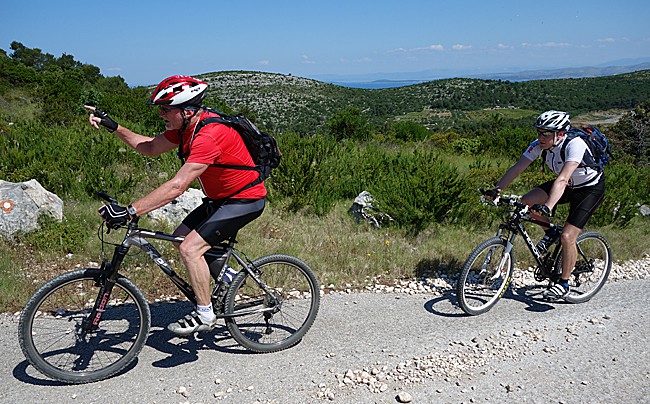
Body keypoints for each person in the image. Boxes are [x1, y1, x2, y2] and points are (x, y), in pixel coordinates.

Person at [85, 75, 266, 335]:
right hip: (220, 199)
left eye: (166, 109)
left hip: (245, 199)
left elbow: (177, 186)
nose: (161, 115)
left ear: (187, 110)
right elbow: (149, 147)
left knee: (191, 250)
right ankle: (228, 279)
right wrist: (114, 126)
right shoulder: (186, 130)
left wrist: (130, 211)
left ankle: (205, 314)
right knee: (180, 238)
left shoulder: (209, 136)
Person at [485, 110, 605, 301]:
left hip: (589, 189)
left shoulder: (575, 144)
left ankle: (564, 283)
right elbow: (518, 167)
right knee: (525, 201)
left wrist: (548, 206)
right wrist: (497, 189)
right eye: (539, 132)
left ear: (560, 134)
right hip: (566, 184)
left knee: (567, 236)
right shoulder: (539, 146)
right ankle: (550, 233)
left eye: (546, 133)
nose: (540, 137)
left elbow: (563, 179)